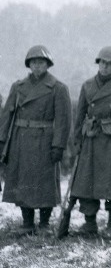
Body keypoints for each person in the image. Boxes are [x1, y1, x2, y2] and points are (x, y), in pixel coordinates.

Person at [0, 45, 71, 235]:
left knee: (44, 182)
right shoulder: (18, 87)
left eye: (41, 62)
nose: (37, 66)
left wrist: (59, 145)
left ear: (47, 65)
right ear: (28, 65)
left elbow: (63, 120)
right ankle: (27, 222)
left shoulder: (58, 88)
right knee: (23, 180)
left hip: (44, 140)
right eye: (33, 62)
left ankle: (45, 223)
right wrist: (2, 139)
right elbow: (7, 114)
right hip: (20, 140)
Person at [71, 46, 111, 234]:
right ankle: (89, 222)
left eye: (110, 64)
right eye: (102, 62)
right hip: (91, 139)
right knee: (86, 183)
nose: (105, 67)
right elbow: (80, 115)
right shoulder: (87, 85)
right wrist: (77, 139)